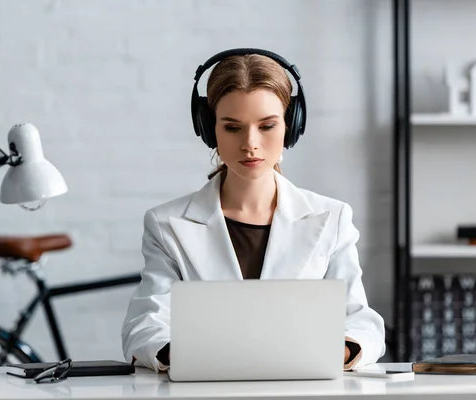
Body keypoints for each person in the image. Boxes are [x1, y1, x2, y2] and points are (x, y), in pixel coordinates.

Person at [121, 48, 385, 373]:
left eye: (267, 126)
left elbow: (363, 323)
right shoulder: (167, 224)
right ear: (208, 129)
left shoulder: (332, 218)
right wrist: (193, 356)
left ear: (291, 126)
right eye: (233, 128)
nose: (250, 143)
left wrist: (336, 351)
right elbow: (144, 326)